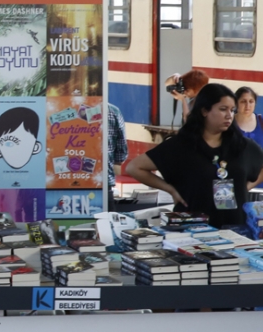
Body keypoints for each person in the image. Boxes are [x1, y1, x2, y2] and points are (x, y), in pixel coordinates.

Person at [127, 83, 263, 228]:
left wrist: (244, 187)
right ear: (204, 110)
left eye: (232, 110)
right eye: (223, 109)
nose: (229, 115)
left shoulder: (242, 145)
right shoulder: (182, 144)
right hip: (192, 228)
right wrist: (170, 189)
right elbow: (134, 167)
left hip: (235, 228)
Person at [107, 101, 129, 207]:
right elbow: (121, 154)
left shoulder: (64, 110)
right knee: (107, 221)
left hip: (68, 180)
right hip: (104, 181)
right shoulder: (112, 110)